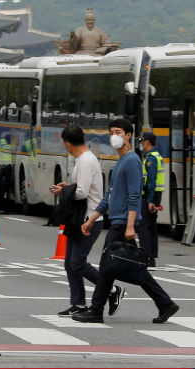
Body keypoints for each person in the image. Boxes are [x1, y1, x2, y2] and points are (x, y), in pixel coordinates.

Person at [73, 118, 179, 324]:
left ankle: (96, 310)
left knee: (107, 266)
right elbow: (109, 196)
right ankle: (165, 303)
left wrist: (131, 225)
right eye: (112, 131)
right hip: (117, 220)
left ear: (128, 135)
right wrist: (92, 219)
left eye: (118, 131)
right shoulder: (121, 161)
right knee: (129, 267)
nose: (114, 135)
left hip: (123, 223)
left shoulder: (132, 161)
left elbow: (134, 196)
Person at [50, 124, 114, 316]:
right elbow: (82, 188)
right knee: (69, 263)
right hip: (80, 217)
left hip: (90, 219)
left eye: (64, 144)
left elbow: (81, 193)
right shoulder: (84, 159)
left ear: (68, 144)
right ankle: (78, 304)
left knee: (77, 262)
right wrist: (68, 186)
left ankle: (111, 290)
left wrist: (64, 191)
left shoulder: (85, 161)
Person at [136, 132, 165, 267]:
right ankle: (151, 256)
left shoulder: (151, 159)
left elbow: (152, 181)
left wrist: (150, 201)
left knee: (143, 226)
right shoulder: (154, 156)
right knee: (151, 226)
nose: (141, 143)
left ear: (147, 142)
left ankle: (146, 256)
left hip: (150, 195)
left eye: (142, 141)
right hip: (154, 195)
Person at [0, 132, 15, 213]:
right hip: (7, 168)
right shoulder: (9, 147)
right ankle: (3, 208)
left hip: (1, 168)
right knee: (4, 189)